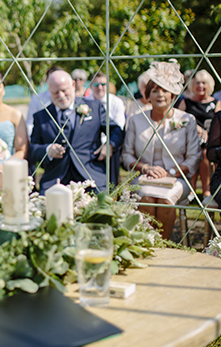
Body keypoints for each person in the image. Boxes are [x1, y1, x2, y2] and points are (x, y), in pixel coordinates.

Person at [123, 61, 200, 240]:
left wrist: (171, 171)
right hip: (144, 178)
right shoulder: (136, 120)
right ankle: (148, 244)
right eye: (155, 90)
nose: (160, 94)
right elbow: (126, 156)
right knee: (147, 198)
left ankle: (163, 246)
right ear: (148, 95)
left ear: (173, 95)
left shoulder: (187, 120)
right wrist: (145, 168)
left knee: (165, 200)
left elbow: (194, 158)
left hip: (177, 178)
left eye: (164, 90)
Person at [29, 70, 124, 194]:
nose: (61, 95)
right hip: (55, 180)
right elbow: (33, 149)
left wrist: (109, 145)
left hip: (91, 176)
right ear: (49, 92)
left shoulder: (95, 107)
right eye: (56, 92)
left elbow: (116, 130)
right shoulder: (41, 117)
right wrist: (48, 150)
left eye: (64, 90)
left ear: (73, 85)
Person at [177, 69, 221, 198]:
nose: (200, 86)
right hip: (189, 138)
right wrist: (195, 127)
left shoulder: (216, 103)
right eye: (197, 83)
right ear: (192, 85)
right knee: (194, 150)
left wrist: (208, 132)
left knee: (204, 152)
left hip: (209, 139)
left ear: (209, 85)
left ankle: (206, 189)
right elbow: (179, 120)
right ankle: (192, 188)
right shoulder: (186, 102)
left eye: (203, 83)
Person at [86, 73, 126, 185]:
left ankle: (112, 190)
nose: (99, 87)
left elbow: (119, 127)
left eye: (103, 84)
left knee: (114, 149)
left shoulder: (117, 102)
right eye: (96, 84)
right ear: (90, 85)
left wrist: (108, 144)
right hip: (92, 144)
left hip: (111, 144)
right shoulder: (84, 102)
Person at [25, 65, 65, 139]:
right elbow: (30, 122)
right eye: (52, 78)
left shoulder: (69, 99)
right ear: (47, 80)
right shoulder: (37, 99)